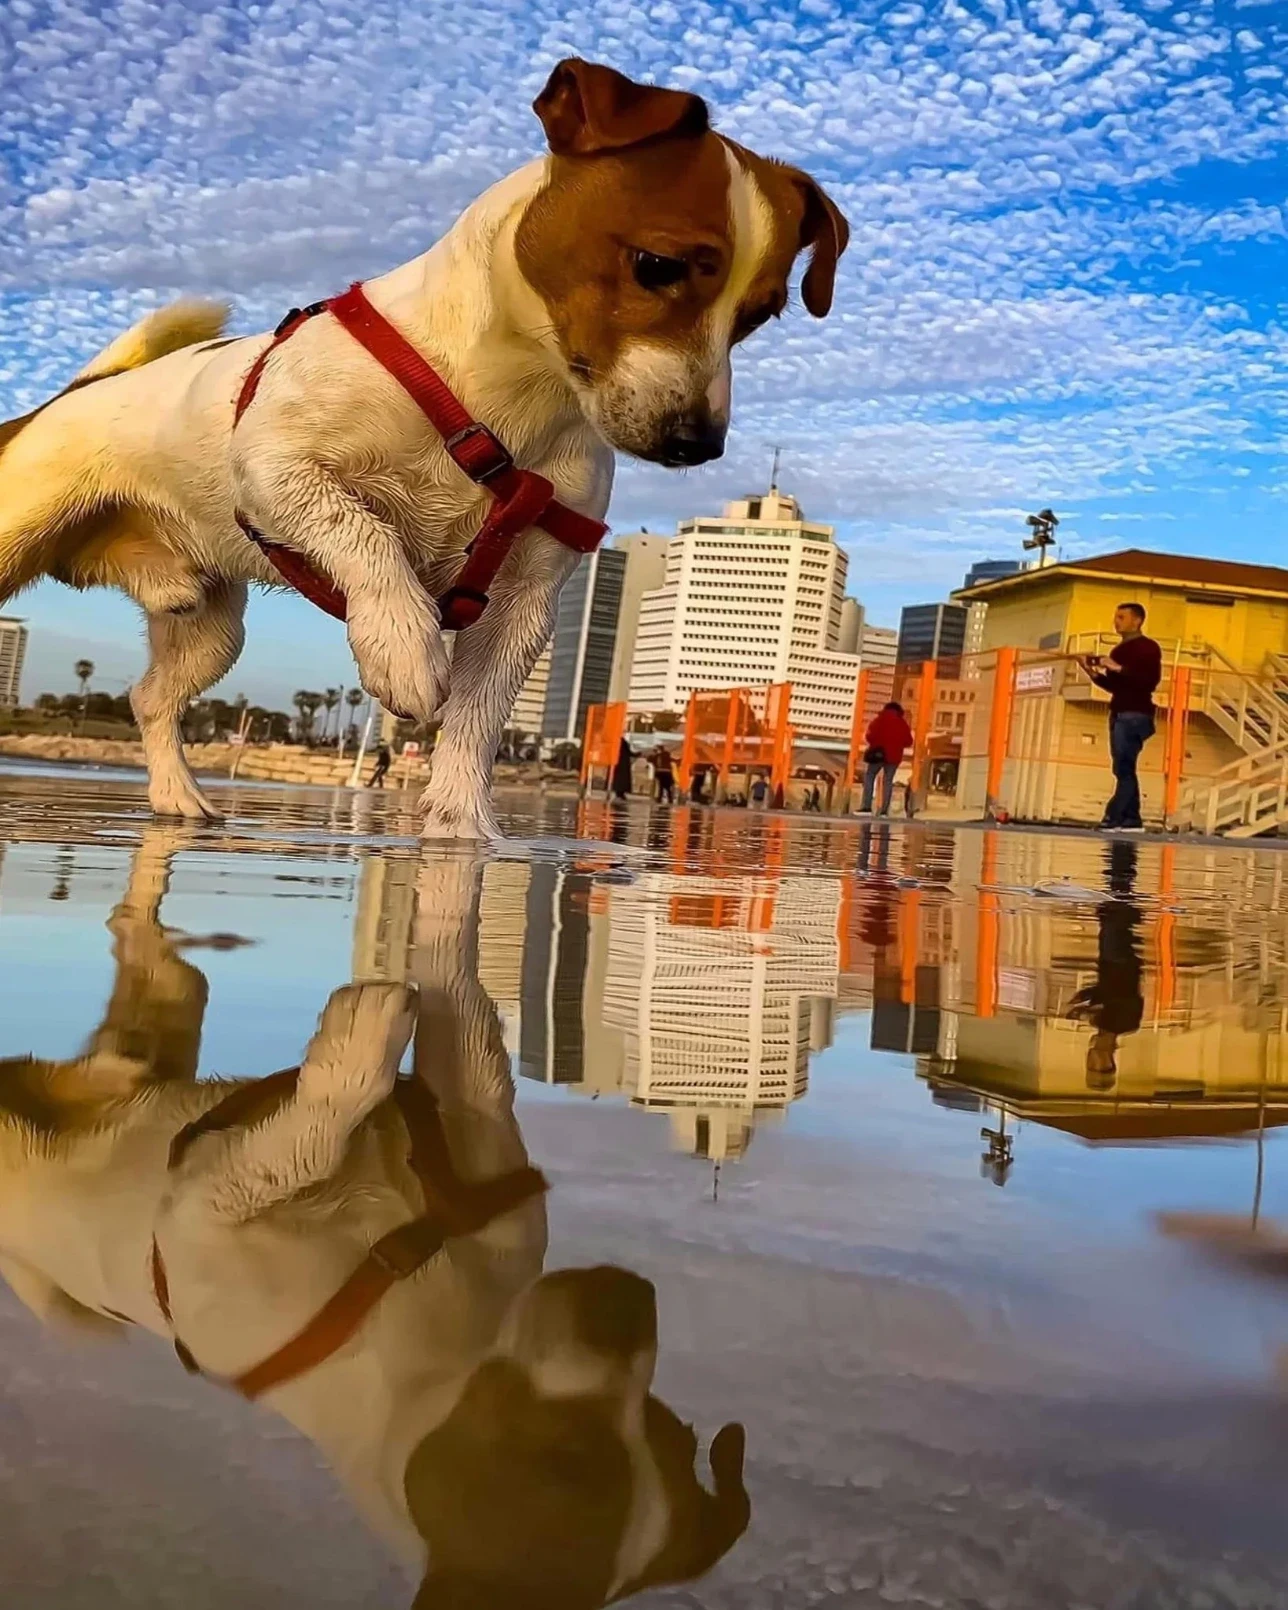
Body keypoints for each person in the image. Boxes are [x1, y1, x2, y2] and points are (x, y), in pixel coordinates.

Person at [1077, 602, 1162, 833]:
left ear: (1137, 620)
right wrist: (1091, 671)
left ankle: (1113, 817)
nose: (1116, 622)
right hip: (1119, 712)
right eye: (1116, 617)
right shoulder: (1118, 650)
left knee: (1123, 768)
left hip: (1136, 714)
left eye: (1122, 617)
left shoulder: (1148, 648)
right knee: (1125, 767)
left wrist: (1116, 667)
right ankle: (1132, 819)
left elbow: (1148, 681)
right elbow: (1114, 686)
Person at [860, 702, 913, 816]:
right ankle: (884, 811)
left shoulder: (879, 720)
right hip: (894, 757)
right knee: (888, 781)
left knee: (870, 776)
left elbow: (869, 736)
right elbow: (909, 741)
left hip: (878, 754)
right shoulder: (902, 723)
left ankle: (866, 807)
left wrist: (877, 743)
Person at [611, 736, 633, 801]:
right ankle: (621, 793)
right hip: (624, 765)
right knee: (623, 780)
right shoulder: (624, 744)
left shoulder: (616, 743)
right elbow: (630, 753)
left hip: (617, 764)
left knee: (618, 779)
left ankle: (619, 793)